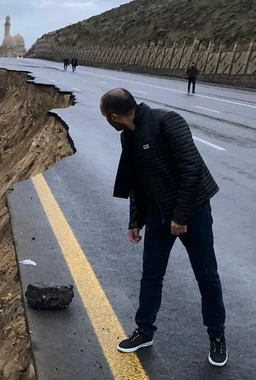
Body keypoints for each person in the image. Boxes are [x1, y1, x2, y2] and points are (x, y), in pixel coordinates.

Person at [99, 88, 227, 367]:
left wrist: (180, 217)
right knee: (151, 275)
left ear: (114, 116)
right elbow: (137, 181)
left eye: (106, 117)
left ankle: (217, 335)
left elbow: (192, 168)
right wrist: (135, 220)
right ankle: (144, 331)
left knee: (207, 276)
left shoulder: (167, 121)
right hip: (158, 213)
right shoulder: (128, 136)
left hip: (193, 211)